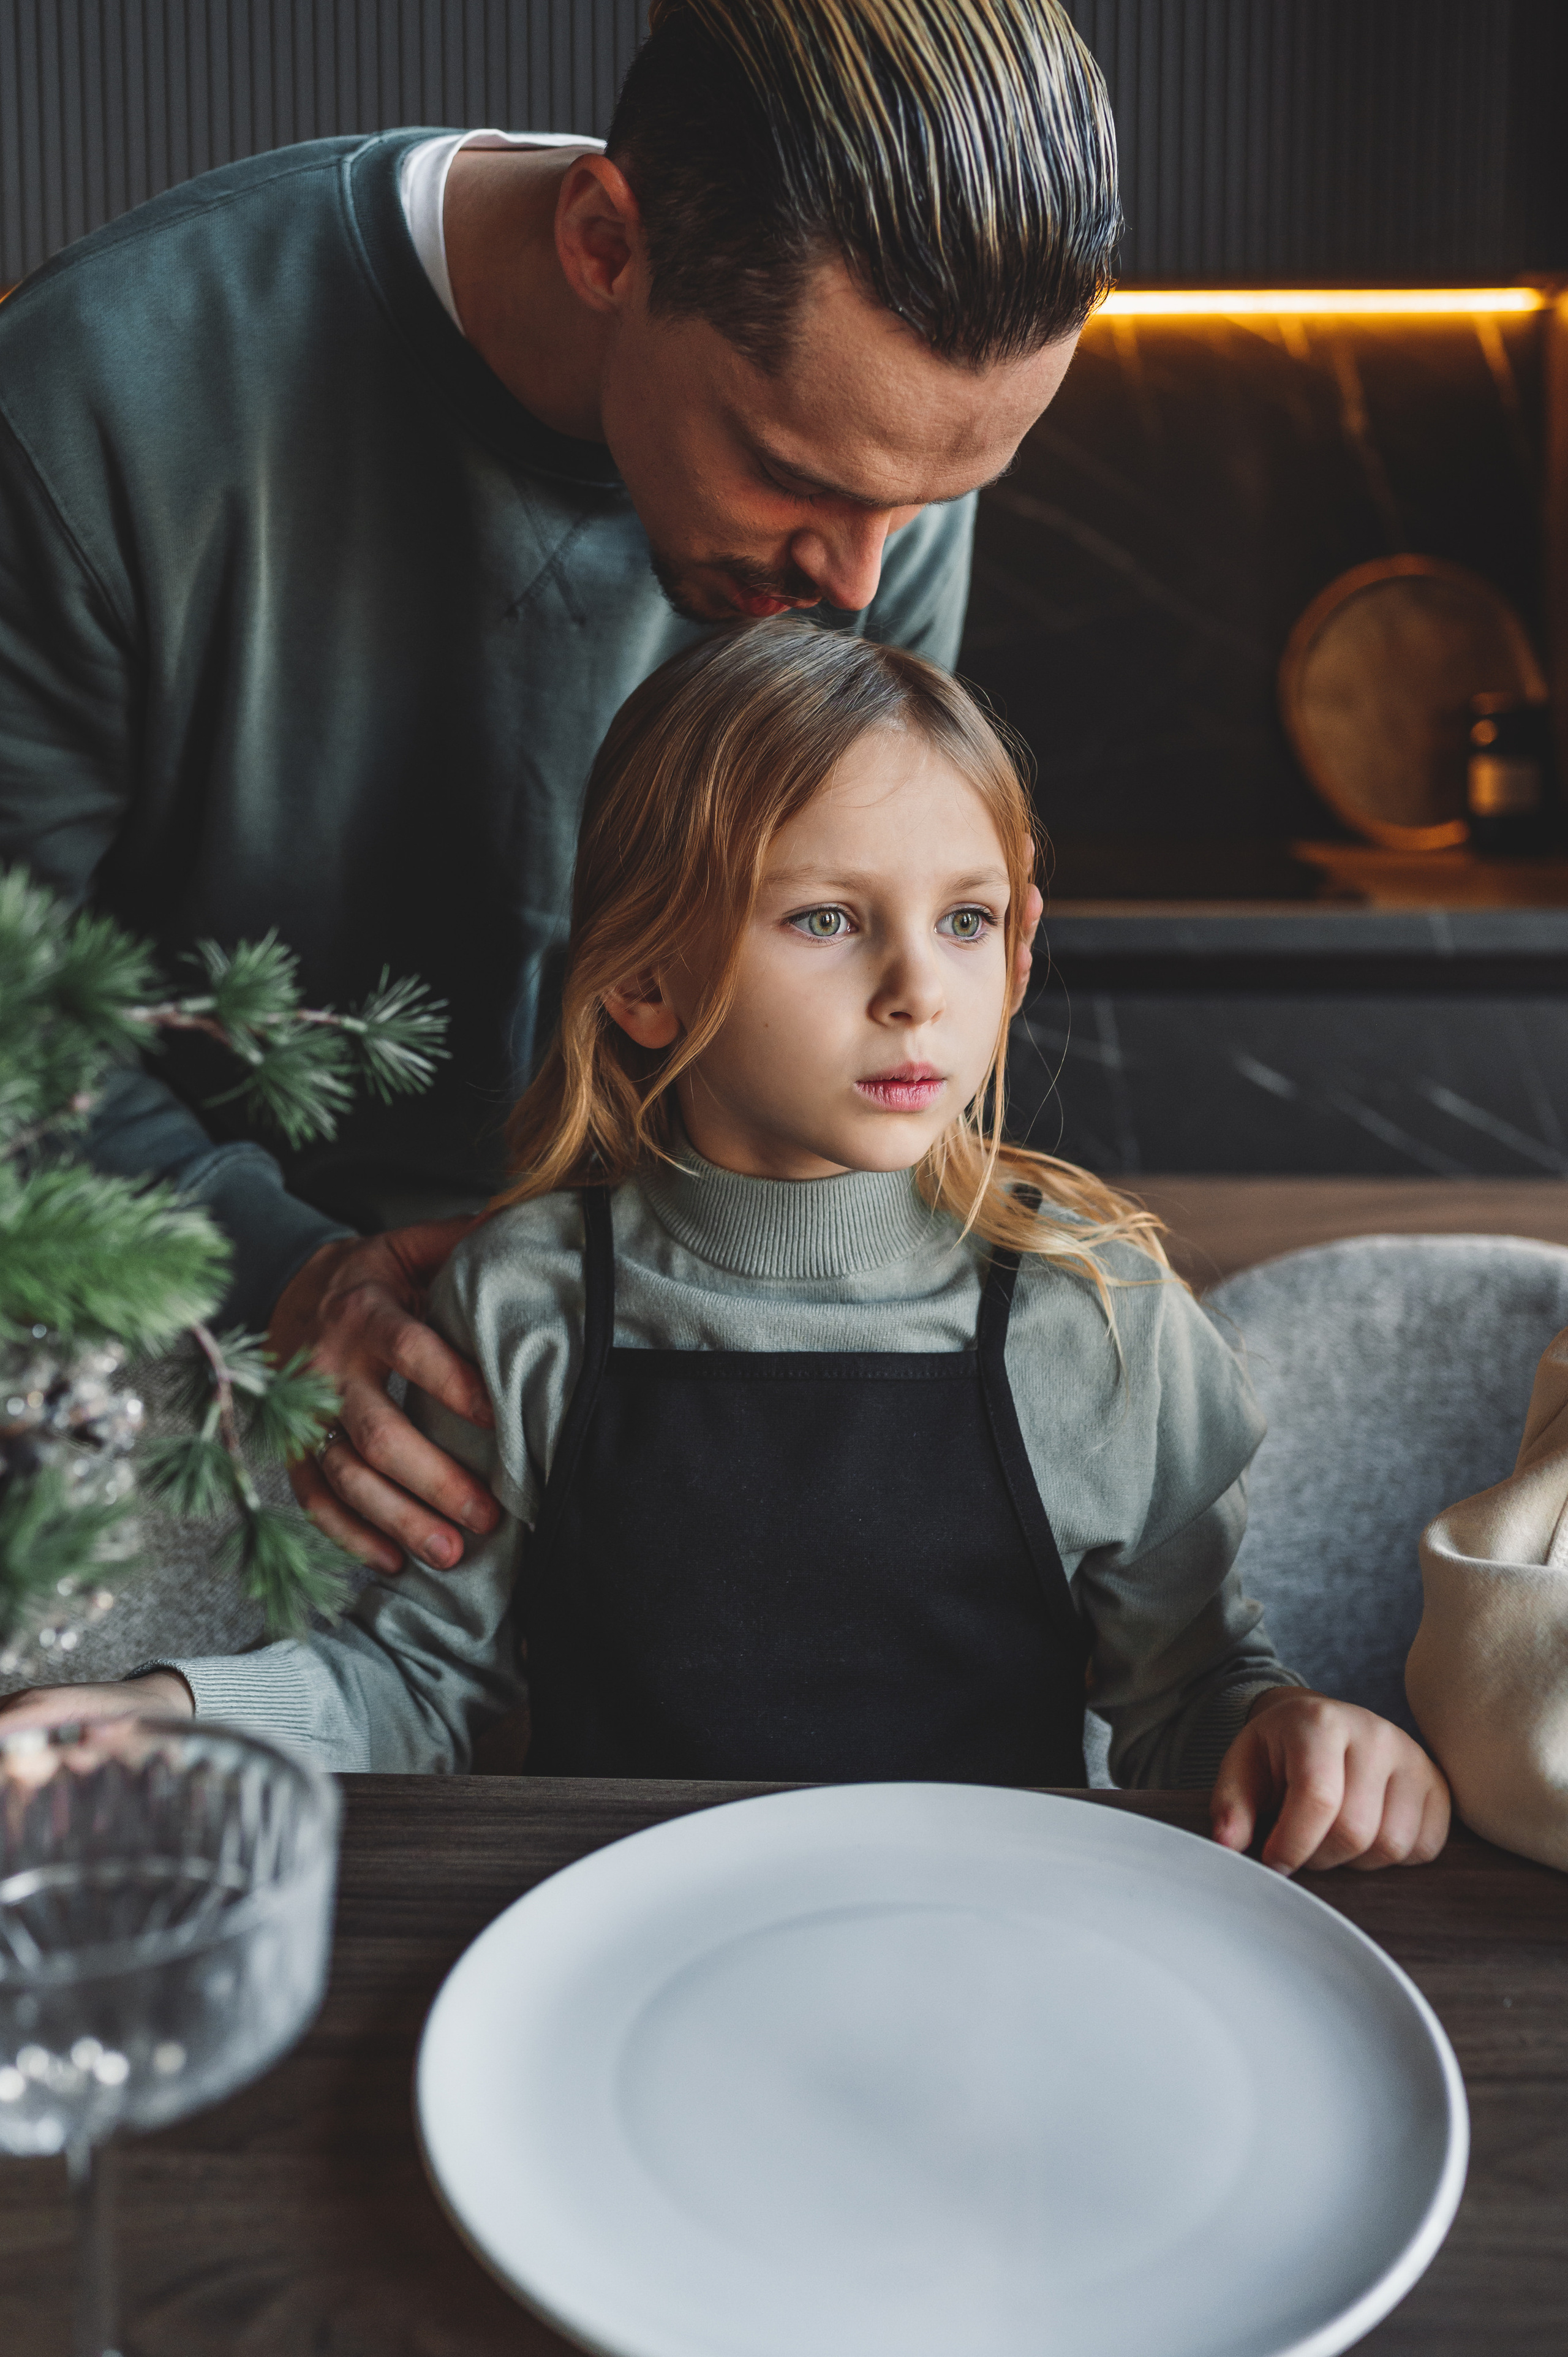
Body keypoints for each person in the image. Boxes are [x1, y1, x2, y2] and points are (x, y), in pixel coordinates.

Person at [1, 624, 1450, 1872]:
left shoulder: (1097, 1312)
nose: (912, 991)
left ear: (1017, 954)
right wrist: (172, 1712)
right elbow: (416, 1691)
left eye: (963, 921)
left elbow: (1185, 1700)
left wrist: (1295, 1736)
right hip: (624, 1952)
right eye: (825, 918)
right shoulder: (522, 1299)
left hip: (987, 1951)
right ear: (642, 977)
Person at [0, 1, 1116, 1585]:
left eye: (935, 500)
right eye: (796, 474)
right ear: (607, 242)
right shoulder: (88, 406)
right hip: (177, 1337)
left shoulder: (869, 474)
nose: (862, 577)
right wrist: (282, 1274)